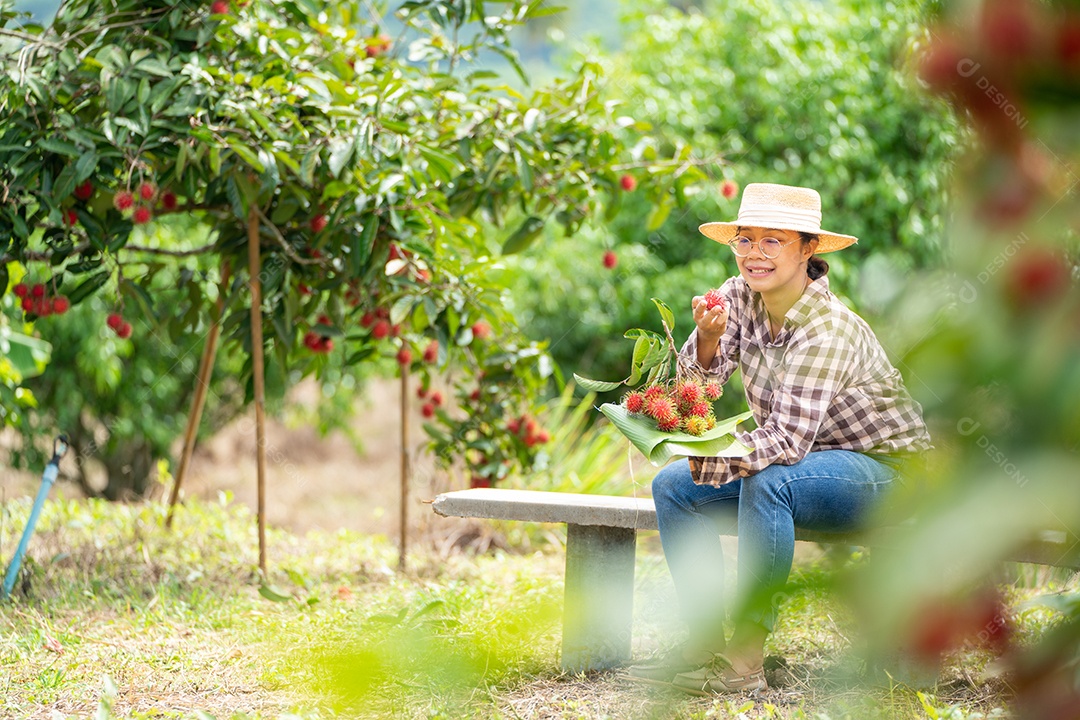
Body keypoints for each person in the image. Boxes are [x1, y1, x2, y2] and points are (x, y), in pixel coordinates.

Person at [626, 183, 932, 695]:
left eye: (773, 241)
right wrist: (705, 338)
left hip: (887, 472)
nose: (754, 254)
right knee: (674, 485)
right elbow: (693, 396)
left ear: (808, 249)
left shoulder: (826, 327)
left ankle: (746, 659)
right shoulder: (737, 298)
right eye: (745, 240)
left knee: (769, 483)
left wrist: (715, 459)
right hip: (812, 461)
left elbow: (784, 442)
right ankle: (701, 645)